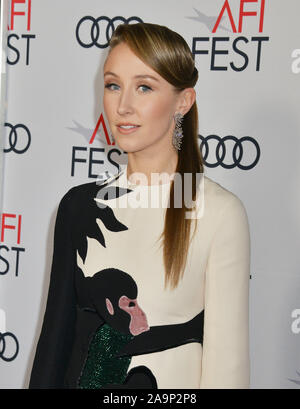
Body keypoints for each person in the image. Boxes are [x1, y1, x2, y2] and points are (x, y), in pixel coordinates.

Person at [29, 22, 250, 389]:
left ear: (184, 101)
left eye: (144, 87)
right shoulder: (80, 207)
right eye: (113, 85)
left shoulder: (219, 214)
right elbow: (54, 347)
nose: (123, 105)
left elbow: (227, 370)